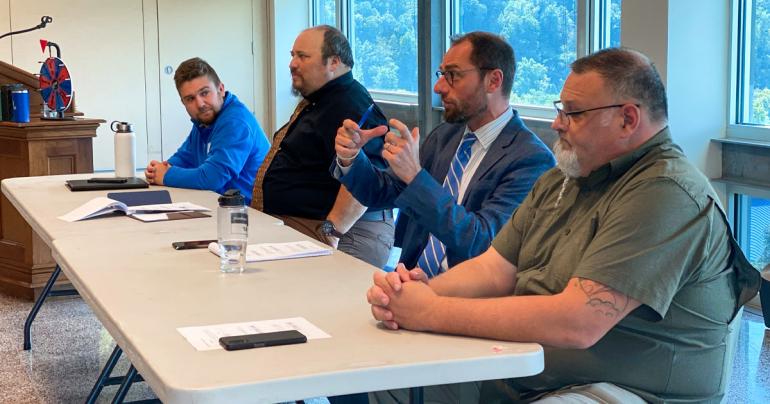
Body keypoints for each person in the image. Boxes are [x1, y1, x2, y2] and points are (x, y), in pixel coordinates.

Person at [366, 48, 761, 403]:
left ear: (627, 119)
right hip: (528, 371)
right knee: (384, 376)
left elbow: (578, 323)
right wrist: (413, 294)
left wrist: (431, 312)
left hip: (624, 390)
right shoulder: (565, 178)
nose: (556, 124)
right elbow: (494, 268)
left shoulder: (664, 192)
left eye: (572, 113)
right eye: (560, 109)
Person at [333, 32, 554, 277]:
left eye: (453, 75)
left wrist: (416, 177)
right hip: (409, 281)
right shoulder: (445, 136)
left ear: (493, 80)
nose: (439, 88)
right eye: (442, 75)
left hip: (468, 298)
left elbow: (482, 241)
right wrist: (352, 158)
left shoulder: (532, 160)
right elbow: (381, 193)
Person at [252, 25, 393, 269]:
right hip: (309, 225)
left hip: (345, 233)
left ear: (334, 62)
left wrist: (331, 230)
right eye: (292, 55)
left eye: (302, 56)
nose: (292, 64)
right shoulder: (322, 100)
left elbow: (365, 180)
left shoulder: (349, 105)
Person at [144, 57, 269, 205]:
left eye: (204, 93)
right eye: (190, 99)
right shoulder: (204, 122)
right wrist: (157, 170)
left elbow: (212, 178)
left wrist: (166, 175)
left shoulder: (235, 122)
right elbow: (184, 158)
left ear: (220, 89)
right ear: (183, 103)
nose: (200, 104)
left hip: (249, 214)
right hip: (220, 207)